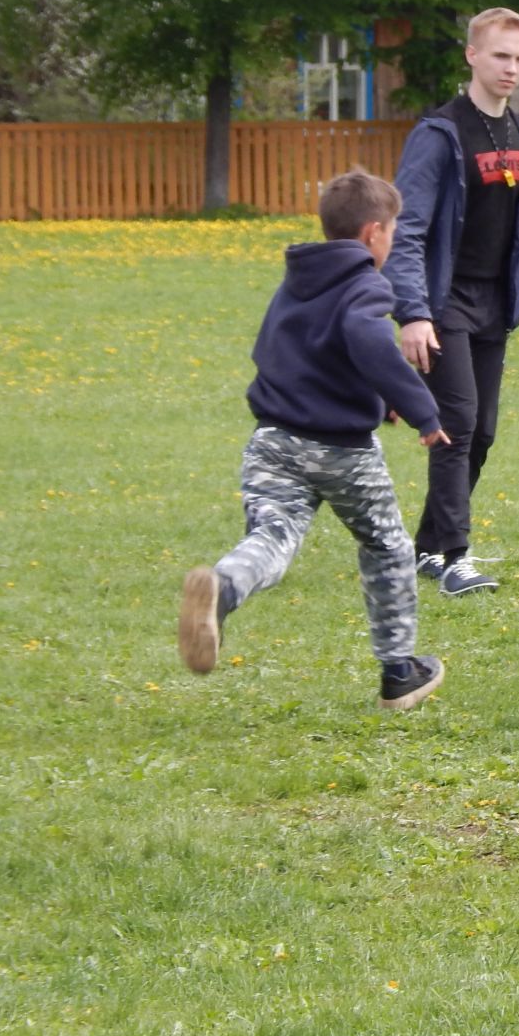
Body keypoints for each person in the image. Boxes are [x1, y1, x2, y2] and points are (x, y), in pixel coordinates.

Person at [180, 170, 451, 711]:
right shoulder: (366, 285)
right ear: (374, 233)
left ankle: (225, 587)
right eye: (393, 232)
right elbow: (367, 341)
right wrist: (421, 408)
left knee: (274, 535)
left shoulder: (297, 281)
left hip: (272, 438)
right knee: (387, 546)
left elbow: (306, 350)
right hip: (339, 449)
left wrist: (378, 400)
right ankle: (399, 671)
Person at [385, 8, 519, 597]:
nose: (512, 68)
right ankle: (454, 557)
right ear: (472, 55)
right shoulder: (440, 134)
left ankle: (426, 547)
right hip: (442, 304)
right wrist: (413, 312)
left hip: (492, 307)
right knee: (457, 424)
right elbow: (408, 229)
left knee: (483, 432)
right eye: (501, 55)